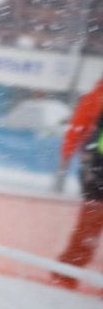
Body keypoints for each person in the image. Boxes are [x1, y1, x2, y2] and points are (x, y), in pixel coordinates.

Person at [54, 77, 103, 288]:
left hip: (95, 168)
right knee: (89, 225)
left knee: (88, 225)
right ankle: (66, 270)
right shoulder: (97, 95)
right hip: (97, 169)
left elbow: (78, 124)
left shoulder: (96, 94)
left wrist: (68, 151)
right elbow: (79, 124)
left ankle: (66, 270)